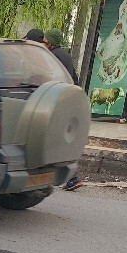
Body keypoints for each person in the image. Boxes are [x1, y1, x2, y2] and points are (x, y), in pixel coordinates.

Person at [42, 29, 82, 191]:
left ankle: (71, 177)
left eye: (45, 41)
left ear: (50, 42)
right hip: (65, 102)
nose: (43, 43)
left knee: (54, 142)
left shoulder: (52, 56)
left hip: (56, 103)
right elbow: (74, 78)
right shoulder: (64, 55)